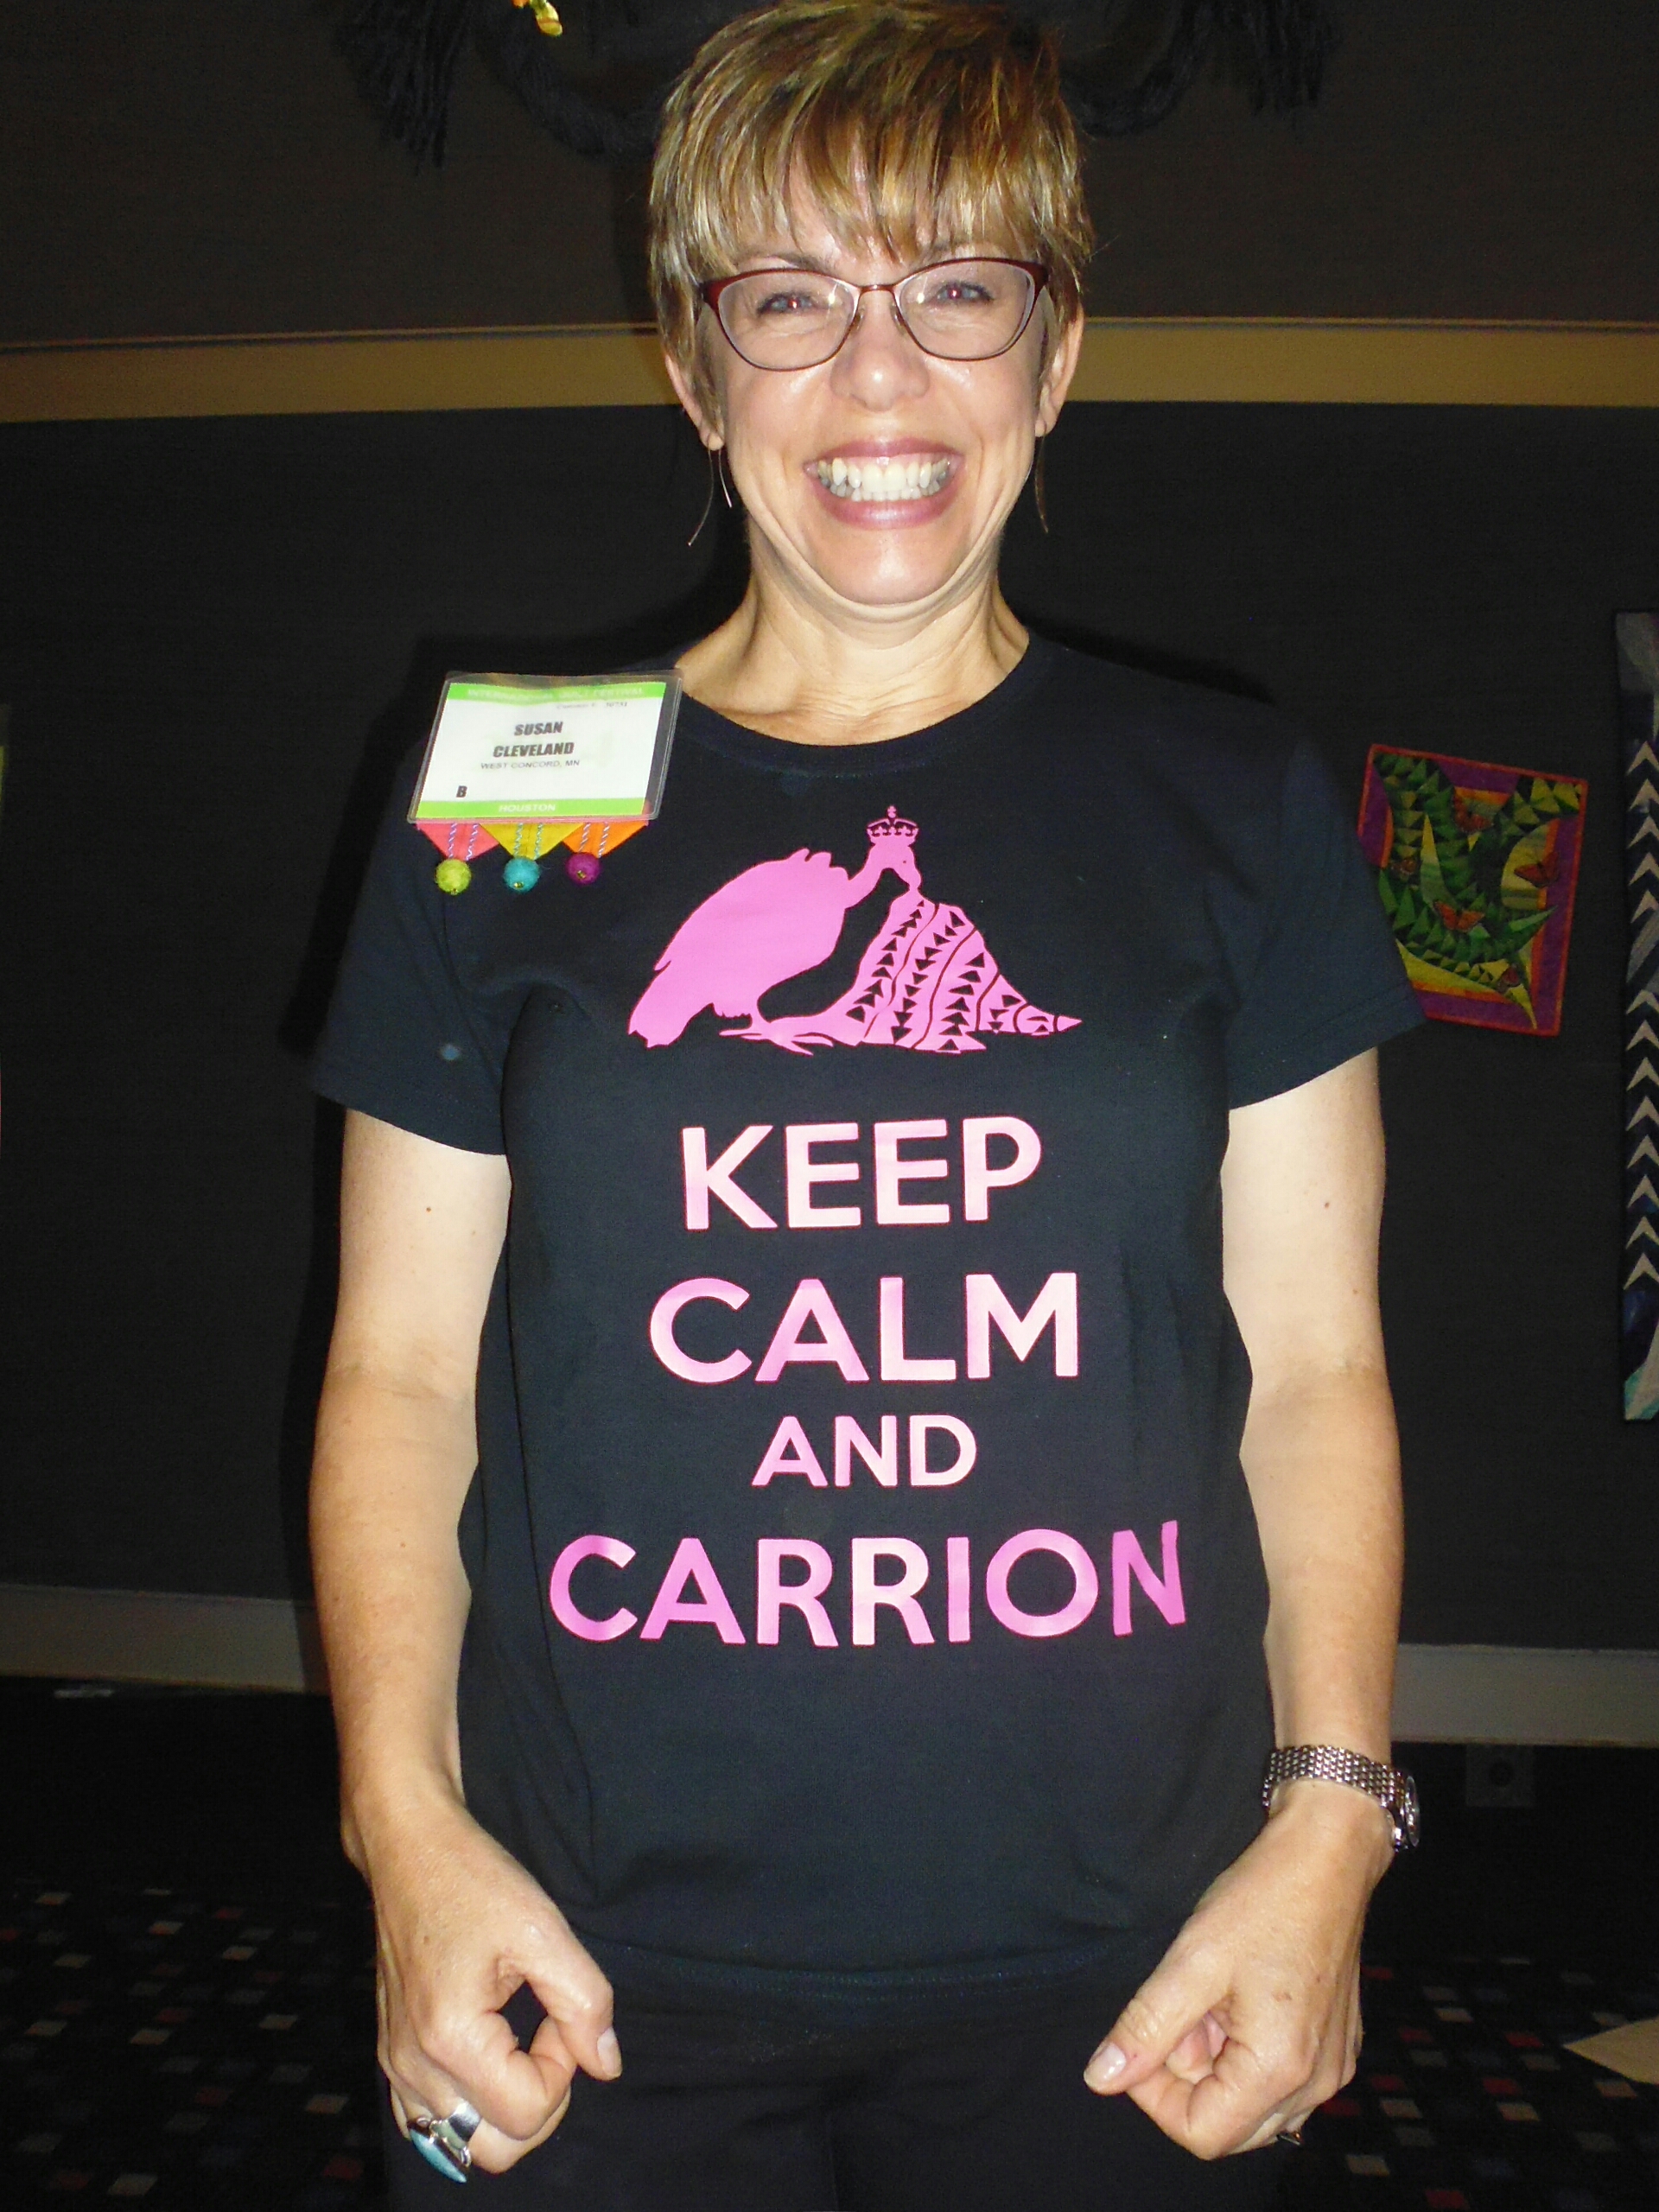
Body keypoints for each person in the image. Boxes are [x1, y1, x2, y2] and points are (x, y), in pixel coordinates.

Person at [309, 3, 1424, 2205]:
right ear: (692, 362)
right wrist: (402, 1831)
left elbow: (1315, 1369)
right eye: (792, 299)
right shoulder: (500, 791)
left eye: (958, 291)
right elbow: (398, 1373)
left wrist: (1332, 1829)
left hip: (1133, 1962)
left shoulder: (1234, 798)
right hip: (587, 1958)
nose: (880, 378)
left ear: (1056, 352)